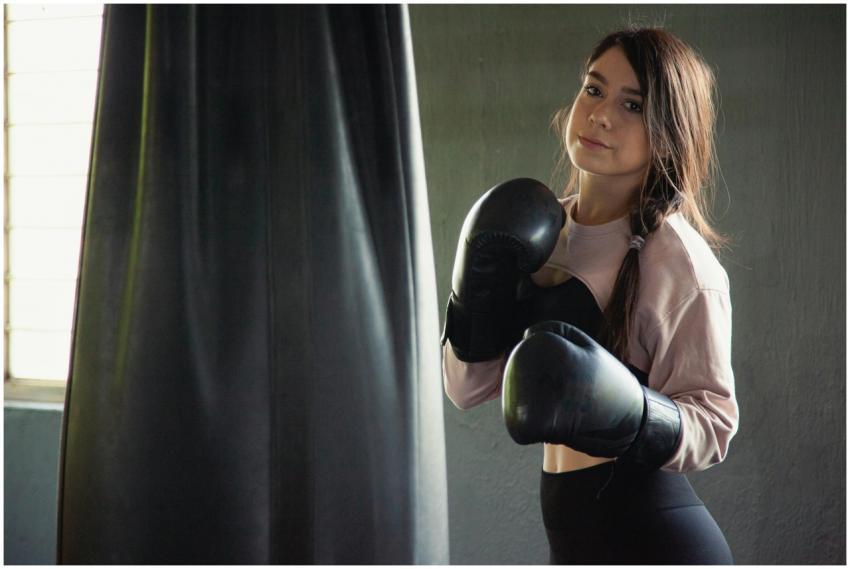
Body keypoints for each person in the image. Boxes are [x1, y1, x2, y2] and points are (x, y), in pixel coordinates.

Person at [440, 27, 739, 564]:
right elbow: (466, 389)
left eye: (633, 105)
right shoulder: (528, 231)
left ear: (668, 130)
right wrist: (474, 284)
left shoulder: (680, 263)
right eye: (594, 90)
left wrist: (629, 410)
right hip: (572, 535)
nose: (602, 115)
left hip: (657, 539)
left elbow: (713, 426)